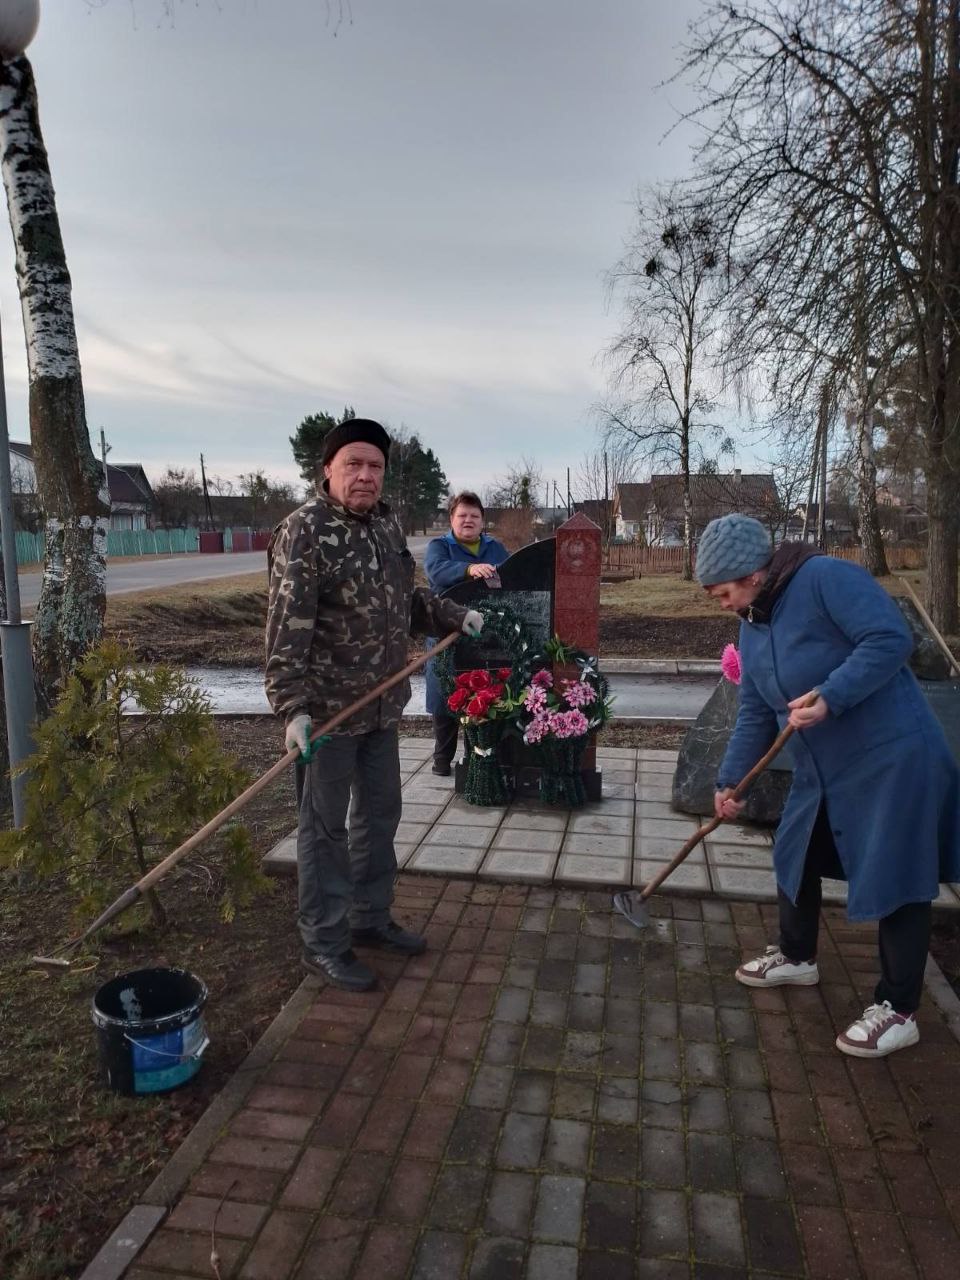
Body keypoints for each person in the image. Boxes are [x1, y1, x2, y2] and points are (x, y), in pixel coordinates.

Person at [698, 513, 960, 1058]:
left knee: (897, 873)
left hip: (893, 757)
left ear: (750, 574)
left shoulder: (826, 580)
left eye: (721, 592)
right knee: (795, 849)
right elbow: (753, 710)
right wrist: (729, 781)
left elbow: (889, 638)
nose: (719, 603)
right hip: (824, 767)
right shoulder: (753, 622)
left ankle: (900, 1008)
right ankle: (797, 958)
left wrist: (831, 693)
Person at [265, 419, 482, 991]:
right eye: (353, 465)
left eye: (375, 467)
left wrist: (456, 616)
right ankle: (324, 942)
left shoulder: (387, 525)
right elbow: (286, 631)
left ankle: (368, 920)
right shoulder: (303, 531)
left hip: (383, 707)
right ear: (328, 471)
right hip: (328, 717)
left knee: (379, 817)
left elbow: (405, 603)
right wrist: (293, 710)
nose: (365, 476)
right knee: (324, 832)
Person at [423, 491, 510, 775]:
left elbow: (510, 576)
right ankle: (441, 758)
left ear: (483, 521)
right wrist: (470, 569)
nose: (468, 520)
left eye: (474, 516)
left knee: (480, 695)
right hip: (446, 633)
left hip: (483, 633)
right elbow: (437, 572)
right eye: (462, 515)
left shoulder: (495, 548)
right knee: (443, 696)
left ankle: (473, 756)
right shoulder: (440, 546)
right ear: (452, 519)